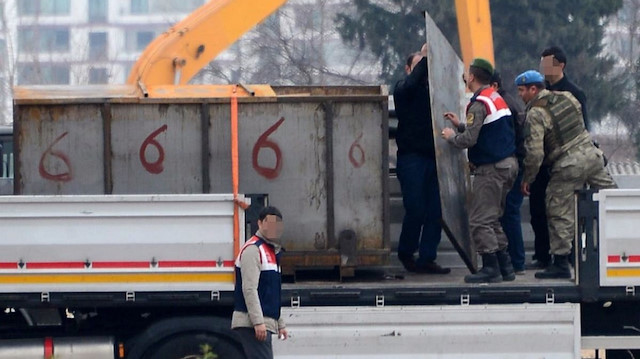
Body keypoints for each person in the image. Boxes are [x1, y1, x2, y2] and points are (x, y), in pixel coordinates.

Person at [515, 70, 616, 279]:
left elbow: (535, 153)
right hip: (593, 156)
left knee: (558, 208)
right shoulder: (568, 98)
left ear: (534, 89)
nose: (520, 95)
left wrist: (528, 178)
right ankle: (622, 246)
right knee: (612, 202)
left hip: (568, 164)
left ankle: (561, 262)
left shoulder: (535, 113)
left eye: (522, 91)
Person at [442, 58, 518, 283]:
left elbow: (469, 140)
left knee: (479, 220)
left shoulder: (478, 104)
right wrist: (461, 124)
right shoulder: (495, 98)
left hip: (492, 170)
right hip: (508, 165)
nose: (465, 77)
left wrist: (452, 136)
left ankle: (490, 269)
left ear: (472, 77)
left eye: (467, 74)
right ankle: (506, 267)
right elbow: (489, 131)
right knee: (492, 219)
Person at [529, 46, 590, 269]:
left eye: (547, 63)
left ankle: (565, 257)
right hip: (541, 160)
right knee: (537, 209)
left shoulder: (574, 93)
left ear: (560, 65)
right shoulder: (540, 93)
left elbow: (583, 129)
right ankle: (542, 255)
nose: (543, 68)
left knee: (563, 213)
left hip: (564, 162)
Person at [393, 43, 450, 274]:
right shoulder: (403, 89)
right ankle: (406, 252)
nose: (424, 71)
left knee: (436, 212)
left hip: (434, 158)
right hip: (412, 159)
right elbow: (411, 84)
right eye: (418, 67)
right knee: (416, 209)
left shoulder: (434, 92)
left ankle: (427, 257)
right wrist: (425, 59)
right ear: (408, 69)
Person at [232, 206, 288, 359]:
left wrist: (279, 323)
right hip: (252, 322)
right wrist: (258, 322)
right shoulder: (253, 250)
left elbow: (271, 293)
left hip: (263, 321)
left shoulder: (271, 251)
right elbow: (249, 289)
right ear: (259, 223)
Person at [491, 71, 526, 275]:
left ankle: (516, 261)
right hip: (517, 163)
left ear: (494, 85)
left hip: (513, 164)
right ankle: (516, 260)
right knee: (508, 213)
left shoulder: (502, 104)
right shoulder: (508, 101)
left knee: (509, 213)